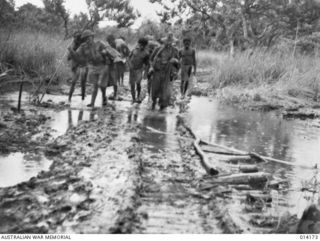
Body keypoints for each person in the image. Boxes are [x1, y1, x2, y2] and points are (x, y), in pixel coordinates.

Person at [68, 30, 120, 108]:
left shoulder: (100, 44)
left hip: (103, 66)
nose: (87, 40)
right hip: (92, 67)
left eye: (88, 38)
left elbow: (112, 53)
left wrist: (107, 53)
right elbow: (77, 57)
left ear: (92, 37)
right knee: (95, 85)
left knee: (102, 85)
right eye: (85, 39)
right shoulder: (83, 47)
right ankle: (92, 103)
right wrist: (71, 51)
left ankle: (103, 96)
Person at [149, 33, 179, 110]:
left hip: (168, 72)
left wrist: (175, 61)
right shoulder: (158, 49)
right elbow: (151, 59)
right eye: (167, 41)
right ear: (165, 41)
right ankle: (153, 103)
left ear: (172, 42)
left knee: (165, 90)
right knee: (155, 88)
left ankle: (162, 106)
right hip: (157, 71)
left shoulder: (175, 51)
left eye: (170, 42)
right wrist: (151, 67)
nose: (168, 43)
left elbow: (178, 63)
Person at [67, 32, 88, 102]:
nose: (75, 40)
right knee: (76, 82)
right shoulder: (75, 46)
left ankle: (81, 98)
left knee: (81, 82)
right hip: (77, 66)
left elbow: (76, 57)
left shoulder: (83, 46)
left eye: (76, 38)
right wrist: (71, 51)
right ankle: (75, 98)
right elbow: (69, 57)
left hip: (81, 66)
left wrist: (71, 51)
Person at [128, 37, 149, 103]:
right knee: (132, 84)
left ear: (145, 46)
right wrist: (129, 65)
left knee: (138, 83)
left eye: (143, 45)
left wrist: (145, 73)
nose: (141, 46)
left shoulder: (146, 54)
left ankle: (138, 96)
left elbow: (147, 64)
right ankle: (133, 98)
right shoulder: (134, 50)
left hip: (139, 70)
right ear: (139, 44)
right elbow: (128, 58)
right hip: (132, 70)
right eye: (140, 45)